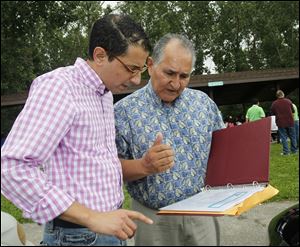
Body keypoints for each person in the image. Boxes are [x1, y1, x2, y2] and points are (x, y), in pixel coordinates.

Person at [1, 14, 175, 246]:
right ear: (100, 55)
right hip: (77, 236)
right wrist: (91, 217)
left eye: (141, 69)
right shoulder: (59, 88)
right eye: (131, 69)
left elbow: (95, 165)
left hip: (106, 230)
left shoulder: (104, 95)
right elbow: (12, 167)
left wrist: (145, 166)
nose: (136, 80)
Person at [114, 33, 225, 246]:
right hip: (154, 219)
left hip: (202, 215)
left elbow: (222, 152)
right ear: (150, 64)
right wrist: (143, 166)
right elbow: (108, 169)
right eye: (169, 73)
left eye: (184, 76)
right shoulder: (122, 113)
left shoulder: (204, 104)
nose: (176, 84)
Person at [270, 90, 297, 155]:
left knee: (283, 137)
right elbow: (293, 112)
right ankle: (294, 151)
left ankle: (286, 152)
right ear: (283, 94)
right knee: (293, 136)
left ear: (277, 96)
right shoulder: (289, 101)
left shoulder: (274, 103)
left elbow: (272, 113)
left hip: (280, 122)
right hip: (290, 121)